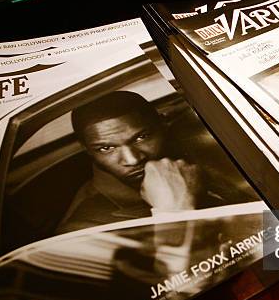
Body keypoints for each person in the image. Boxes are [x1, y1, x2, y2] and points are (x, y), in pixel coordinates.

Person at [57, 90, 242, 234]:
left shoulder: (203, 156)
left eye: (141, 137)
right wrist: (174, 212)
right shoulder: (86, 228)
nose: (132, 159)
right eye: (106, 148)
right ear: (87, 150)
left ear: (163, 125)